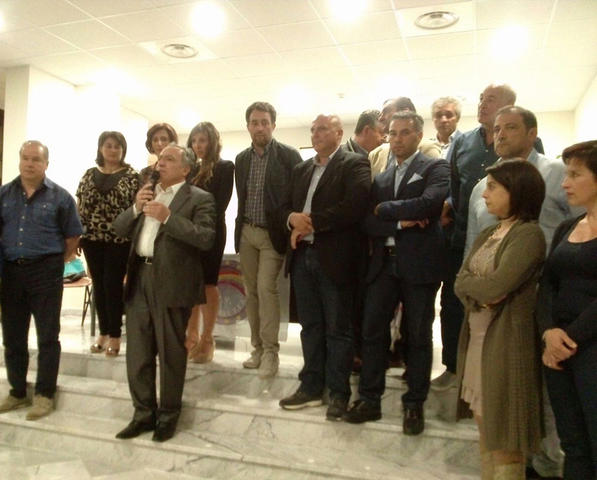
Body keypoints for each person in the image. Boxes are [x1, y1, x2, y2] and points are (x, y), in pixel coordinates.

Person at [343, 111, 449, 436]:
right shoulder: (382, 178)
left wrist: (386, 209)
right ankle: (369, 399)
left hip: (420, 265)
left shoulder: (436, 168)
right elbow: (366, 221)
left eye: (404, 132)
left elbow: (430, 204)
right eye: (392, 133)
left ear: (418, 135)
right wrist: (401, 221)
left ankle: (414, 403)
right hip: (383, 264)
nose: (397, 139)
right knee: (373, 332)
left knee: (417, 335)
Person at [113, 145, 215, 442]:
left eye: (169, 159)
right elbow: (119, 229)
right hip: (140, 279)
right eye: (160, 159)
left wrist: (169, 217)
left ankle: (168, 415)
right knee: (138, 353)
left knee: (171, 353)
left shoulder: (200, 198)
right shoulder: (147, 194)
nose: (161, 163)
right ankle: (142, 414)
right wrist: (136, 207)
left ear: (186, 169)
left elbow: (205, 238)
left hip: (172, 283)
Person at [454, 159, 546, 479]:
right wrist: (480, 292)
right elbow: (459, 282)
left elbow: (497, 286)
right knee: (485, 427)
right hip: (477, 338)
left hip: (505, 343)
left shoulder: (528, 235)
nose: (484, 195)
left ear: (516, 191)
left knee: (504, 436)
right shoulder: (488, 233)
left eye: (492, 187)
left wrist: (479, 288)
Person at [278, 114, 370, 420]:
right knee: (310, 327)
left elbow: (355, 205)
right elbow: (282, 207)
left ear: (339, 133)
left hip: (335, 258)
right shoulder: (301, 169)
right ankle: (311, 387)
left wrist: (311, 223)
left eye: (322, 129)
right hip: (302, 257)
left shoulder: (354, 163)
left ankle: (339, 393)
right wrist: (292, 219)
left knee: (338, 329)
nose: (316, 134)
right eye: (313, 130)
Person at [433, 83, 519, 391]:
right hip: (461, 236)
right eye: (481, 99)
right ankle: (453, 367)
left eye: (490, 99)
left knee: (499, 303)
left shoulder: (523, 141)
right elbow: (454, 184)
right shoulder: (463, 141)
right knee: (453, 302)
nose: (482, 104)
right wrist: (448, 205)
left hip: (505, 239)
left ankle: (493, 372)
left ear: (509, 105)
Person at [0, 140, 82, 420]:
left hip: (45, 272)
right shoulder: (4, 194)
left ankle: (45, 394)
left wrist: (52, 264)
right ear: (19, 160)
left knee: (47, 336)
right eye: (25, 158)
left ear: (46, 164)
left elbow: (73, 236)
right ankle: (17, 392)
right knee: (12, 336)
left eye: (36, 159)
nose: (30, 163)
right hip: (11, 272)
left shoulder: (61, 198)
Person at [538, 140, 597, 480]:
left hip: (588, 346)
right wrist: (549, 332)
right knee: (572, 442)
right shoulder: (567, 227)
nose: (565, 183)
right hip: (558, 348)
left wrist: (568, 338)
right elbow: (547, 284)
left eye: (575, 175)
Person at [234, 101, 302, 379]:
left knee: (266, 289)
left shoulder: (289, 156)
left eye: (264, 122)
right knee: (250, 293)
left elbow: (297, 196)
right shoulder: (241, 159)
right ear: (248, 126)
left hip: (273, 234)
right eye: (254, 122)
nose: (260, 127)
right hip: (246, 232)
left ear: (273, 125)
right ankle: (258, 349)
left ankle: (271, 352)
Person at [77, 131, 139, 356]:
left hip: (119, 240)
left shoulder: (132, 176)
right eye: (108, 145)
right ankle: (102, 333)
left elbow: (137, 209)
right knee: (98, 285)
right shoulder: (88, 174)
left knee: (112, 285)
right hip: (91, 239)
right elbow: (79, 206)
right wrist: (77, 235)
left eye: (117, 146)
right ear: (100, 148)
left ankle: (115, 335)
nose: (113, 150)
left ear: (123, 150)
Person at [185, 122, 234, 363]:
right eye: (194, 141)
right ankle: (191, 337)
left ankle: (207, 338)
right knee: (190, 285)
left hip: (211, 232)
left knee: (208, 284)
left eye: (202, 140)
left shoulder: (225, 167)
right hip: (188, 233)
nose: (198, 145)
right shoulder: (189, 168)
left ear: (212, 142)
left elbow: (219, 204)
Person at [368, 97, 441, 179]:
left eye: (386, 112)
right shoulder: (375, 154)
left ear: (405, 112)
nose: (380, 118)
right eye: (393, 134)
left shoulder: (427, 148)